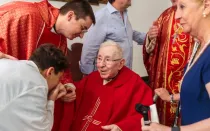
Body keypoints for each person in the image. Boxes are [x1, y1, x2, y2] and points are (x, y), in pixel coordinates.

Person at [52, 41, 153, 131]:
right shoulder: (93, 77)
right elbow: (75, 96)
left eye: (107, 60)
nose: (101, 64)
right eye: (99, 58)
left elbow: (146, 114)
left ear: (121, 64)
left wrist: (122, 127)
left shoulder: (134, 83)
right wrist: (68, 91)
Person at [142, 0, 210, 130]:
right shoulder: (199, 45)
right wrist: (171, 97)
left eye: (182, 7)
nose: (177, 15)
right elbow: (200, 92)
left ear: (206, 6)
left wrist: (170, 130)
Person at [0, 0, 95, 84]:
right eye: (82, 28)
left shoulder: (61, 39)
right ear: (70, 16)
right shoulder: (26, 14)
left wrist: (66, 86)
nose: (82, 36)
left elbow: (62, 72)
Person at [0, 44, 69, 131]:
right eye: (59, 78)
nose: (58, 83)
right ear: (50, 72)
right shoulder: (38, 84)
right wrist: (51, 99)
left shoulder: (8, 62)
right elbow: (41, 129)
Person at [80, 0, 146, 75]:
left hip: (124, 73)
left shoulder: (124, 14)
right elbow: (89, 49)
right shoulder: (101, 16)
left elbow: (128, 33)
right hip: (107, 76)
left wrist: (148, 37)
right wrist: (89, 77)